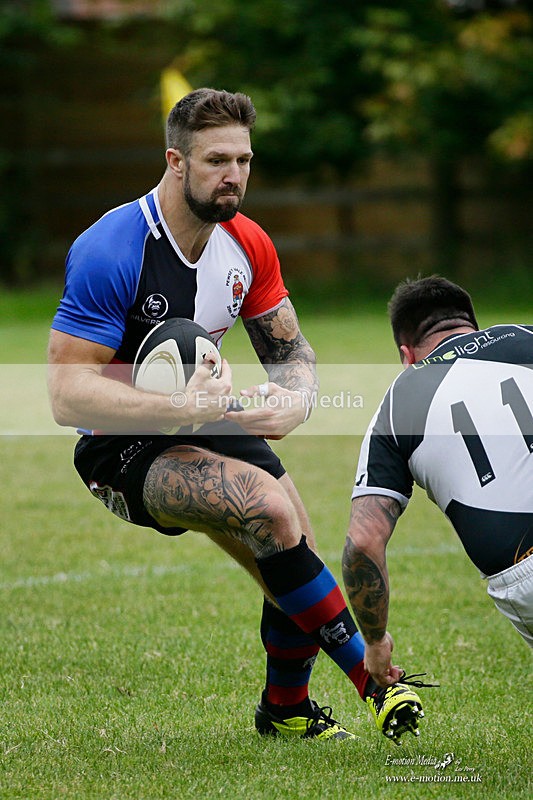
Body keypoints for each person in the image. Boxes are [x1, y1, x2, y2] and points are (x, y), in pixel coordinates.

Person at [48, 88, 425, 744]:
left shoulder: (246, 244)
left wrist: (296, 397)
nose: (234, 175)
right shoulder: (113, 248)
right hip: (118, 446)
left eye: (244, 160)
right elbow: (64, 393)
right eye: (217, 159)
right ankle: (377, 688)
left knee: (292, 545)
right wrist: (171, 405)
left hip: (205, 418)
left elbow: (290, 350)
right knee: (268, 511)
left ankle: (283, 711)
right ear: (176, 161)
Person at [343, 275, 533, 692]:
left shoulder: (397, 404)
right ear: (475, 327)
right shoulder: (525, 336)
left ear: (406, 354)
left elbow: (363, 541)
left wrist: (375, 642)